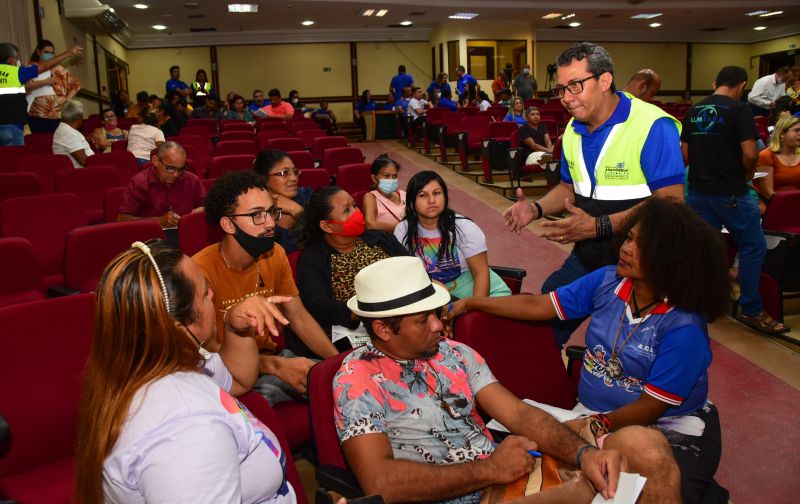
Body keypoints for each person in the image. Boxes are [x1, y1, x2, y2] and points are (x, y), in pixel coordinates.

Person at [334, 255, 682, 504]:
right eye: (422, 320)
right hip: (464, 491)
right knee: (601, 487)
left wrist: (584, 453)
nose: (439, 325)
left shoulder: (454, 353)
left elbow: (518, 414)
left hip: (503, 474)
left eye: (436, 315)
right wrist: (490, 470)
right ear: (382, 328)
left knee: (643, 445)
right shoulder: (357, 379)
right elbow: (381, 484)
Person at [447, 198, 729, 504]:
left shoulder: (683, 327)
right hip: (596, 416)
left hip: (669, 429)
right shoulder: (608, 280)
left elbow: (650, 408)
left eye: (641, 246)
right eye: (630, 238)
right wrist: (474, 302)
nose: (626, 248)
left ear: (669, 260)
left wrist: (596, 425)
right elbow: (539, 305)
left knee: (646, 492)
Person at [75, 239, 298, 503]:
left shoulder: (145, 364)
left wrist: (235, 327)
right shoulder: (186, 432)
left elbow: (237, 379)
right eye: (205, 293)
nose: (213, 296)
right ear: (179, 331)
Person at [503, 42, 684, 346]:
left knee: (629, 347)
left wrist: (599, 225)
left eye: (575, 85)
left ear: (604, 80)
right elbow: (567, 189)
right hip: (589, 256)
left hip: (643, 264)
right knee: (542, 325)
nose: (566, 98)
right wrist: (534, 209)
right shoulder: (573, 129)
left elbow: (671, 201)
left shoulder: (651, 125)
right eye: (561, 89)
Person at [194, 171, 338, 404]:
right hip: (228, 372)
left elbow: (298, 316)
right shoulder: (199, 271)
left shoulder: (275, 254)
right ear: (228, 224)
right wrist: (273, 366)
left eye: (271, 212)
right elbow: (211, 354)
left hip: (274, 357)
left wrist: (338, 363)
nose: (271, 223)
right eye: (257, 215)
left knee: (339, 385)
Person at [682, 65, 789, 335]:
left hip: (697, 191)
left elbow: (685, 153)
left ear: (715, 82)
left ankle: (704, 305)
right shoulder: (738, 109)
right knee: (753, 246)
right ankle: (752, 309)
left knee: (707, 250)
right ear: (742, 86)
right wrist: (746, 175)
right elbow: (750, 152)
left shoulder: (694, 110)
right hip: (731, 192)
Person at [293, 186, 409, 338]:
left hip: (403, 316)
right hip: (351, 332)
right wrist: (363, 309)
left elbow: (411, 268)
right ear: (327, 226)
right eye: (347, 210)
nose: (357, 212)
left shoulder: (381, 238)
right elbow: (317, 305)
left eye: (354, 205)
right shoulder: (313, 259)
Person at [395, 171, 511, 299]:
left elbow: (481, 274)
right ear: (411, 203)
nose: (432, 200)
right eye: (422, 195)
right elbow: (407, 273)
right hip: (435, 293)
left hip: (481, 293)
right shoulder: (403, 230)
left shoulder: (465, 227)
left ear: (445, 197)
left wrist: (475, 309)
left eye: (437, 193)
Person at [0, 41, 82, 146]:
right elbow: (44, 67)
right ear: (11, 60)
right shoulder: (16, 72)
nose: (18, 61)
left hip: (53, 115)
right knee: (14, 157)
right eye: (17, 58)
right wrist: (68, 53)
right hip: (13, 124)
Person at [117, 141, 205, 228]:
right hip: (150, 238)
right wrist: (159, 221)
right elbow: (121, 219)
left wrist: (204, 210)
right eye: (170, 168)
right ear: (156, 161)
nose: (176, 174)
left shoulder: (191, 180)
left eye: (181, 169)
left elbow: (209, 206)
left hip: (186, 233)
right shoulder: (139, 183)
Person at [252, 149, 311, 254]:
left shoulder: (308, 196)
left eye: (295, 172)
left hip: (317, 266)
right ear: (264, 179)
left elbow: (330, 235)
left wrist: (296, 209)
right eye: (284, 173)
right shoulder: (254, 212)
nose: (294, 178)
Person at [26, 40, 82, 133]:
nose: (49, 55)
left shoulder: (60, 69)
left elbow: (76, 84)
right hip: (38, 114)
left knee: (56, 143)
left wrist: (67, 100)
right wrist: (45, 82)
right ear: (38, 52)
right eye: (46, 52)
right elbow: (26, 86)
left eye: (52, 53)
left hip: (58, 114)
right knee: (42, 142)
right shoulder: (30, 67)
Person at [755, 115, 800, 205]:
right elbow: (768, 193)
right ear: (782, 134)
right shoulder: (766, 155)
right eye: (797, 130)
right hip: (776, 205)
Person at [363, 154, 406, 232]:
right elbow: (370, 225)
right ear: (374, 179)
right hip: (388, 241)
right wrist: (403, 229)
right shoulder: (371, 197)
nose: (391, 180)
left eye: (394, 176)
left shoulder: (403, 194)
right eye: (386, 176)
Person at [52, 100, 94, 167]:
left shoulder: (68, 130)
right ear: (79, 117)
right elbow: (84, 161)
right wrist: (99, 162)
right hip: (81, 174)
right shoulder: (68, 133)